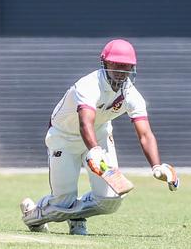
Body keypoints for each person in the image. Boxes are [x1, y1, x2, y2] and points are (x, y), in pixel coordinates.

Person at [20, 39, 180, 235]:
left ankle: (75, 214)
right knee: (63, 201)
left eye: (127, 67)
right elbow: (84, 123)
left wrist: (156, 166)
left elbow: (145, 134)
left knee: (111, 199)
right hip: (64, 137)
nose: (122, 72)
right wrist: (94, 151)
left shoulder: (131, 94)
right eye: (117, 66)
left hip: (100, 136)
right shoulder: (88, 86)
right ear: (105, 63)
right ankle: (32, 214)